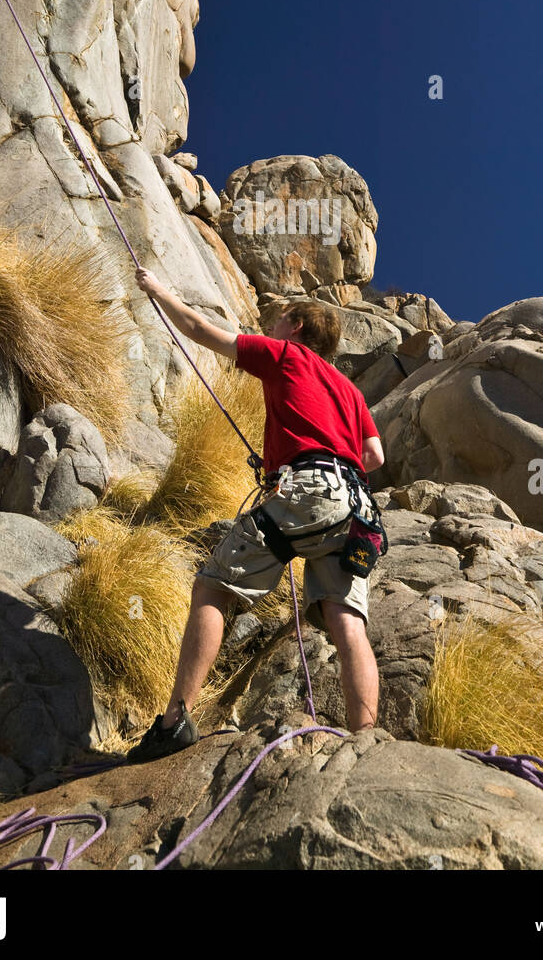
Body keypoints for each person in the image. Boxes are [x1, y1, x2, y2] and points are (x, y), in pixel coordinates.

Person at [125, 267, 385, 764]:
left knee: (214, 585)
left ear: (298, 328)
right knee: (347, 620)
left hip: (306, 491)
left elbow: (202, 331)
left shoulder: (285, 355)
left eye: (281, 318)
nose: (273, 326)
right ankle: (366, 742)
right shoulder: (351, 392)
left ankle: (175, 722)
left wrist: (159, 289)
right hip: (354, 508)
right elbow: (374, 456)